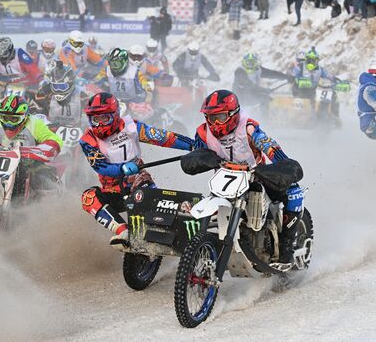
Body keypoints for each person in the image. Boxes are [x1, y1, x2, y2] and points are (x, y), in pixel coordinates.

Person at [193, 89, 305, 264]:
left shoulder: (248, 128)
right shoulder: (203, 132)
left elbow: (268, 144)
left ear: (233, 114)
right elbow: (196, 150)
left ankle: (287, 246)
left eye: (220, 117)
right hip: (225, 181)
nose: (214, 123)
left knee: (294, 192)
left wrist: (283, 162)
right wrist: (195, 159)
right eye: (210, 117)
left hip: (257, 176)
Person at [80, 92, 193, 250]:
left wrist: (193, 146)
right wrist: (122, 168)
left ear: (115, 115)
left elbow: (162, 137)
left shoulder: (131, 126)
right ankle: (123, 232)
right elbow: (100, 166)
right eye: (95, 119)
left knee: (150, 197)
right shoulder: (87, 139)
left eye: (104, 118)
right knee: (88, 198)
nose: (99, 124)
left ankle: (180, 224)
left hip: (138, 182)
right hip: (113, 191)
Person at [0, 86, 62, 192]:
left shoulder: (35, 123)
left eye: (14, 119)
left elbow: (54, 139)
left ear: (24, 117)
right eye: (5, 118)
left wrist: (37, 151)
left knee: (45, 178)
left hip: (28, 165)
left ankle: (49, 206)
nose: (8, 123)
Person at [34, 61, 84, 127]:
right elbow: (36, 107)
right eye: (55, 86)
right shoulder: (44, 90)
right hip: (52, 126)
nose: (58, 90)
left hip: (75, 127)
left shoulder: (80, 91)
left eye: (62, 87)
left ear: (71, 84)